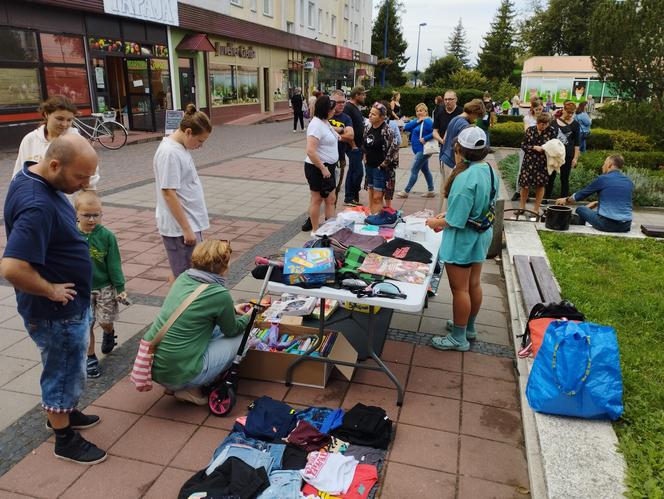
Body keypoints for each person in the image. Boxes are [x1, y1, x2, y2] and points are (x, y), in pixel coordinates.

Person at [1, 134, 106, 464]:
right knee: (61, 371)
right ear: (55, 164)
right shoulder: (37, 205)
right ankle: (64, 438)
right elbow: (12, 267)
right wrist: (51, 289)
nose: (85, 184)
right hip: (54, 311)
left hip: (63, 309)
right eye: (80, 177)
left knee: (68, 368)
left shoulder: (34, 174)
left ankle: (66, 411)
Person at [142, 240, 252, 405]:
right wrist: (250, 316)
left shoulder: (184, 277)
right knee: (244, 338)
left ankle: (174, 385)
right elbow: (232, 330)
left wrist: (232, 309)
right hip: (181, 374)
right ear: (224, 266)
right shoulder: (219, 293)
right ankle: (189, 388)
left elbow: (196, 310)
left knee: (206, 330)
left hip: (156, 367)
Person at [425, 127, 499, 351]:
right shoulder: (487, 169)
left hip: (464, 240)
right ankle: (468, 327)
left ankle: (458, 338)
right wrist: (449, 213)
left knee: (460, 290)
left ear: (459, 148)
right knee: (474, 283)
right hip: (481, 235)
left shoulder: (464, 178)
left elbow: (456, 221)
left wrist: (433, 222)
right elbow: (478, 203)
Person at [153, 104, 212, 281]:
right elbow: (168, 193)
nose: (200, 146)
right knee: (187, 279)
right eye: (200, 141)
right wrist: (186, 229)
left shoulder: (179, 148)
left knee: (190, 275)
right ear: (188, 132)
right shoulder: (170, 152)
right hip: (181, 229)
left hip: (189, 224)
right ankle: (181, 308)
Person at [75, 191, 126, 378]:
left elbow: (114, 264)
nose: (91, 219)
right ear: (76, 214)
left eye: (96, 215)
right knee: (86, 325)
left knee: (104, 321)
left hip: (104, 287)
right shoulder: (71, 235)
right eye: (86, 215)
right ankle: (90, 358)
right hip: (81, 289)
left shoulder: (107, 236)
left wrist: (120, 288)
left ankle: (109, 332)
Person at [13, 95, 100, 188]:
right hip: (34, 197)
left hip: (65, 200)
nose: (64, 124)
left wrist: (89, 193)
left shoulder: (76, 141)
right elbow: (19, 173)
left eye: (69, 120)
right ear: (46, 114)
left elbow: (91, 175)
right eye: (60, 119)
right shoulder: (30, 139)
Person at [555, 154, 633, 233]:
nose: (603, 166)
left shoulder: (603, 179)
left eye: (604, 163)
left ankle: (580, 231)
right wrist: (599, 202)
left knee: (581, 209)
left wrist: (565, 200)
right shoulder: (628, 181)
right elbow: (621, 198)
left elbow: (581, 194)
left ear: (609, 164)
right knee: (593, 211)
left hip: (606, 225)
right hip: (625, 226)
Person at [438, 99, 486, 210]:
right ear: (474, 112)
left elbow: (446, 139)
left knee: (443, 193)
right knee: (450, 196)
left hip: (444, 159)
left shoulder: (455, 118)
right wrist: (459, 168)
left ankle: (438, 220)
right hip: (452, 163)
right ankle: (444, 222)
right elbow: (457, 148)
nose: (476, 119)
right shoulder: (465, 125)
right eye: (477, 116)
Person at [305, 94, 339, 232]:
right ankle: (314, 230)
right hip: (317, 167)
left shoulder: (325, 122)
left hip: (328, 167)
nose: (334, 111)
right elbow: (310, 151)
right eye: (332, 109)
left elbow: (334, 136)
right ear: (325, 110)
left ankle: (328, 229)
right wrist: (323, 168)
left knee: (331, 199)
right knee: (317, 198)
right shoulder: (316, 125)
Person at [363, 102, 399, 218]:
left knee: (377, 197)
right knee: (372, 194)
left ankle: (377, 219)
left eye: (373, 114)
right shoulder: (368, 127)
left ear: (382, 117)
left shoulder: (387, 130)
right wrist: (364, 156)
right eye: (370, 113)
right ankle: (373, 217)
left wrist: (384, 164)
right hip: (369, 167)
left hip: (381, 169)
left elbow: (394, 148)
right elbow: (364, 144)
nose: (370, 116)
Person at [519, 112, 555, 216]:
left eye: (546, 124)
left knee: (541, 185)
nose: (544, 126)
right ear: (537, 122)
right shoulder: (530, 130)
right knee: (525, 185)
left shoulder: (551, 131)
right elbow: (523, 145)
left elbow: (554, 146)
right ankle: (522, 207)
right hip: (529, 161)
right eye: (542, 124)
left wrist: (544, 149)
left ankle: (536, 209)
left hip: (542, 162)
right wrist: (534, 147)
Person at [397, 103, 435, 198]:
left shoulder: (428, 121)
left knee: (414, 169)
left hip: (423, 151)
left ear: (426, 111)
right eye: (417, 111)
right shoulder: (418, 121)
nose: (419, 113)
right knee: (425, 170)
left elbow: (435, 133)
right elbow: (406, 127)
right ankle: (431, 190)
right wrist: (418, 121)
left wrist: (425, 138)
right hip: (419, 150)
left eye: (421, 110)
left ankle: (406, 191)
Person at [545, 100, 580, 200]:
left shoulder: (575, 125)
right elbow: (548, 139)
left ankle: (563, 201)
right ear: (563, 110)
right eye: (568, 112)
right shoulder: (553, 122)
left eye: (572, 113)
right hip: (554, 155)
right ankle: (545, 199)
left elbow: (577, 144)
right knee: (550, 177)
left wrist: (575, 158)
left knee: (564, 179)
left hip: (567, 155)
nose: (570, 115)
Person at [513, 98, 545, 201]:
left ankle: (530, 193)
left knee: (538, 172)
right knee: (522, 170)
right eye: (537, 109)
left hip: (540, 149)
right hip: (529, 148)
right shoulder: (528, 118)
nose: (539, 111)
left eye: (540, 109)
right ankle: (518, 191)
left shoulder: (545, 118)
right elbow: (527, 131)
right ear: (532, 109)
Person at [343, 86, 367, 206]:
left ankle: (351, 196)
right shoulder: (348, 108)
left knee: (353, 170)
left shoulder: (355, 107)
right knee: (358, 172)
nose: (364, 97)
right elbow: (347, 128)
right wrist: (353, 145)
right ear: (357, 95)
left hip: (358, 145)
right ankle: (350, 196)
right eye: (363, 94)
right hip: (353, 146)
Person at [381, 99, 402, 209]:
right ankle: (388, 207)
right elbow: (399, 141)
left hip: (380, 159)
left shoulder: (373, 123)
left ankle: (379, 206)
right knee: (389, 182)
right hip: (390, 160)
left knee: (377, 184)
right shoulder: (393, 124)